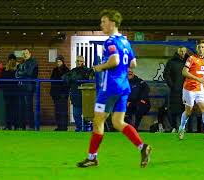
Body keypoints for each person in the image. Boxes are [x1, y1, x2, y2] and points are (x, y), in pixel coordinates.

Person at [77, 9, 151, 168]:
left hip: (109, 87)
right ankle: (142, 147)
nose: (101, 24)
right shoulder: (125, 42)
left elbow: (115, 61)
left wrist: (99, 67)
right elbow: (133, 64)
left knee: (98, 121)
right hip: (124, 86)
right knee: (118, 122)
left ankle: (92, 157)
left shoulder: (110, 41)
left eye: (103, 21)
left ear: (112, 23)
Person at [178, 40, 204, 141]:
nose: (200, 49)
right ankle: (181, 128)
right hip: (189, 89)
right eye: (199, 47)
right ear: (196, 48)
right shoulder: (191, 58)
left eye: (202, 47)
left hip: (200, 89)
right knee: (188, 111)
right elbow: (184, 72)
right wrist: (197, 79)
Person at [62, 55, 92, 132]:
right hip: (75, 95)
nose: (79, 62)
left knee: (86, 115)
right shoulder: (73, 70)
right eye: (77, 61)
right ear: (76, 61)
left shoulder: (87, 71)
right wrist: (72, 79)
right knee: (76, 114)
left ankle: (85, 129)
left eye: (80, 61)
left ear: (83, 62)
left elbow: (85, 78)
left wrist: (73, 79)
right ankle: (79, 128)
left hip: (86, 96)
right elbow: (64, 77)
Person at [163, 46, 189, 132]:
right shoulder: (171, 62)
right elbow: (166, 75)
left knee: (185, 109)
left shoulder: (188, 62)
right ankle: (174, 127)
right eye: (181, 51)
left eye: (184, 51)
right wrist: (172, 85)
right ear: (178, 52)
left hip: (187, 89)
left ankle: (184, 128)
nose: (183, 53)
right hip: (175, 90)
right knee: (173, 109)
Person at [15, 48, 38, 130]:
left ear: (30, 54)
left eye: (26, 53)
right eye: (23, 53)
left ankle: (31, 126)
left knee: (29, 107)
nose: (25, 55)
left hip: (28, 87)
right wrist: (21, 73)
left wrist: (20, 72)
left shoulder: (33, 62)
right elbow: (16, 74)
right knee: (21, 107)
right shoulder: (22, 62)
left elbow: (29, 73)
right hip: (21, 87)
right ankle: (22, 126)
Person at [50, 55, 70, 131]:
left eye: (59, 61)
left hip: (63, 94)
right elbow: (52, 80)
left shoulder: (66, 70)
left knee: (63, 111)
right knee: (57, 111)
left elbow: (67, 83)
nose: (58, 63)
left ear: (62, 61)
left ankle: (64, 127)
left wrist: (65, 93)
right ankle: (59, 126)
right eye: (57, 61)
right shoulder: (55, 70)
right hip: (56, 94)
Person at [1, 54, 19, 130]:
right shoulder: (4, 69)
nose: (12, 61)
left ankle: (15, 125)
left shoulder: (18, 69)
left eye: (13, 60)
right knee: (7, 109)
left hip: (15, 92)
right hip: (7, 92)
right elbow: (2, 80)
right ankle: (8, 125)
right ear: (8, 61)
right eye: (10, 60)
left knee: (15, 108)